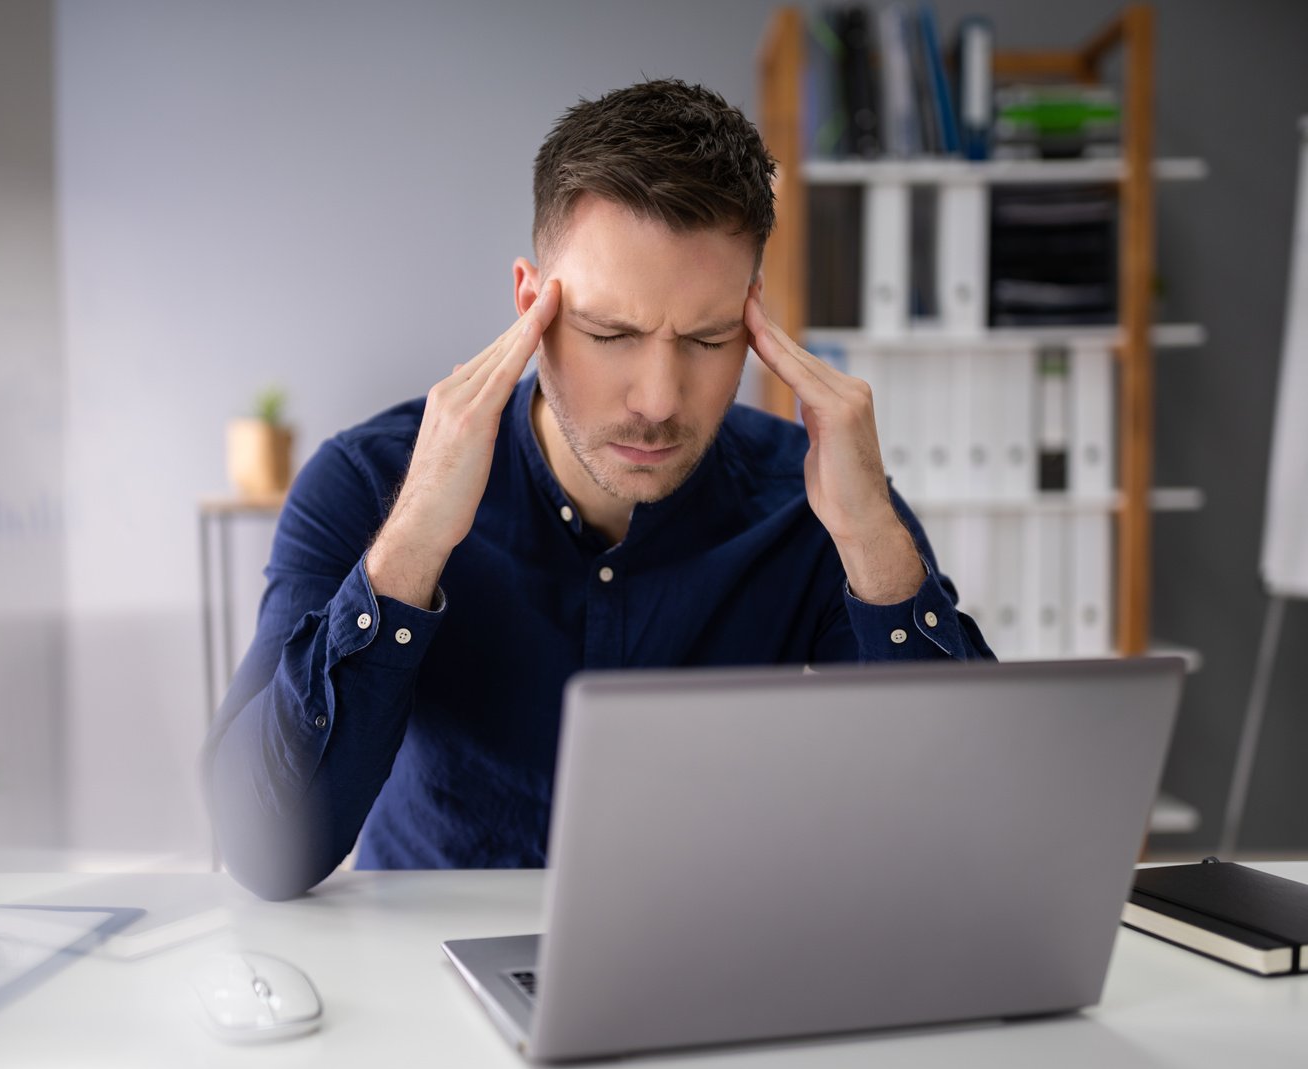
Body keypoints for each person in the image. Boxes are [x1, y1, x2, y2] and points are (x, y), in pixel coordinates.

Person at [204, 79, 992, 900]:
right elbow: (265, 849)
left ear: (755, 320)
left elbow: (968, 830)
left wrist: (875, 548)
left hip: (708, 966)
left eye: (708, 337)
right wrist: (409, 552)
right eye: (611, 334)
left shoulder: (821, 504)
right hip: (423, 983)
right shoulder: (367, 481)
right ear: (529, 305)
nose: (658, 398)